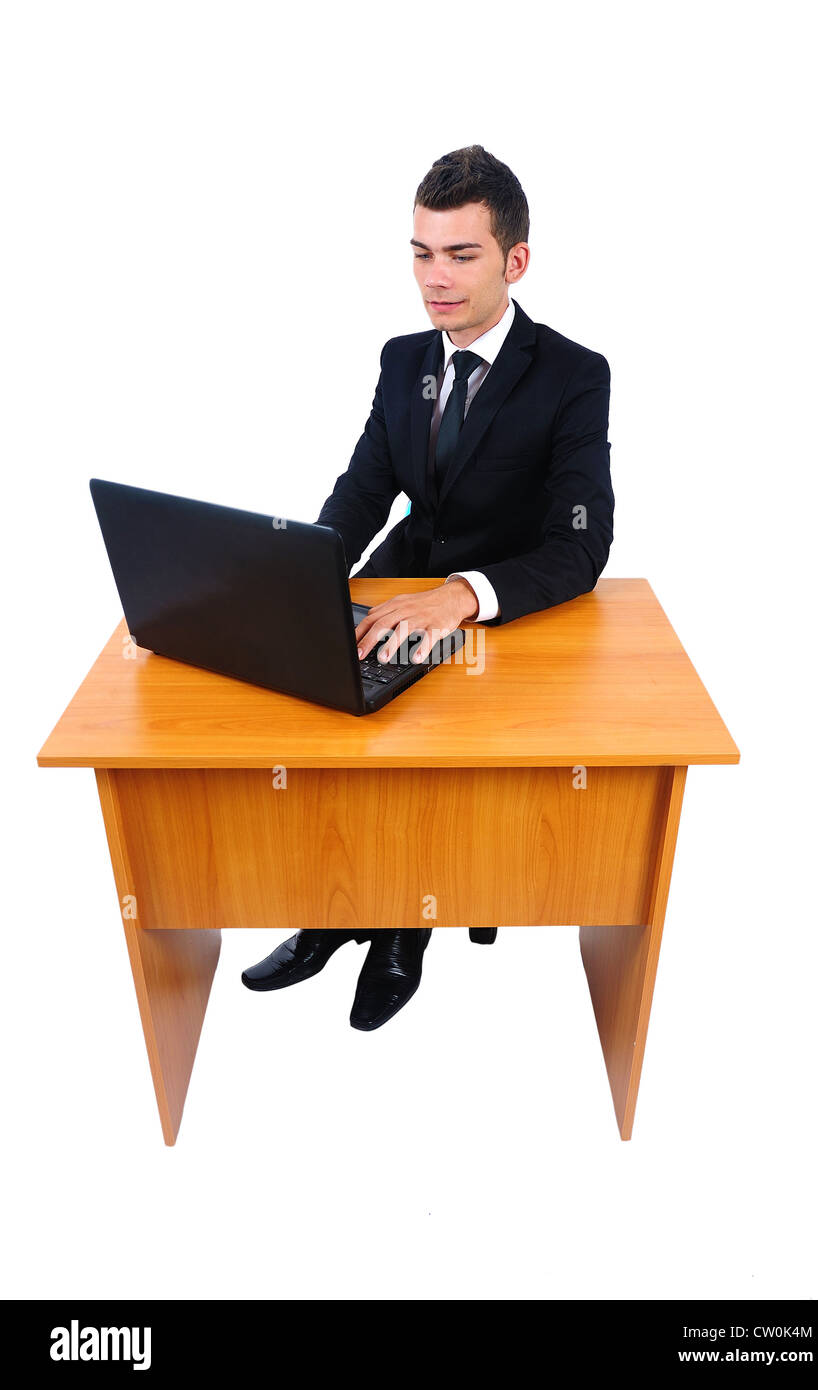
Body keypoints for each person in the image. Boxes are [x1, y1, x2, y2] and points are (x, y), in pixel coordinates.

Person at [242, 144, 614, 1030]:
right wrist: (299, 575)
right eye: (420, 252)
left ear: (514, 260)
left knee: (426, 746)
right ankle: (339, 909)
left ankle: (407, 925)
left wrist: (460, 593)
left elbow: (581, 546)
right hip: (401, 581)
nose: (433, 278)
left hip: (505, 606)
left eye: (459, 254)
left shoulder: (573, 375)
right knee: (328, 708)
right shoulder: (400, 356)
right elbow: (365, 491)